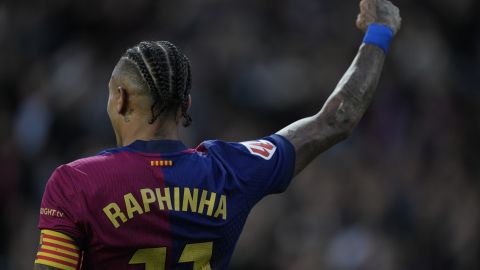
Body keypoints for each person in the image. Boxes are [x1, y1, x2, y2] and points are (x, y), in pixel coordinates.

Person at [33, 0, 401, 269]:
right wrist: (380, 30)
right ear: (187, 104)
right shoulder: (231, 171)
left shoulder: (74, 183)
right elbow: (336, 120)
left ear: (120, 97)